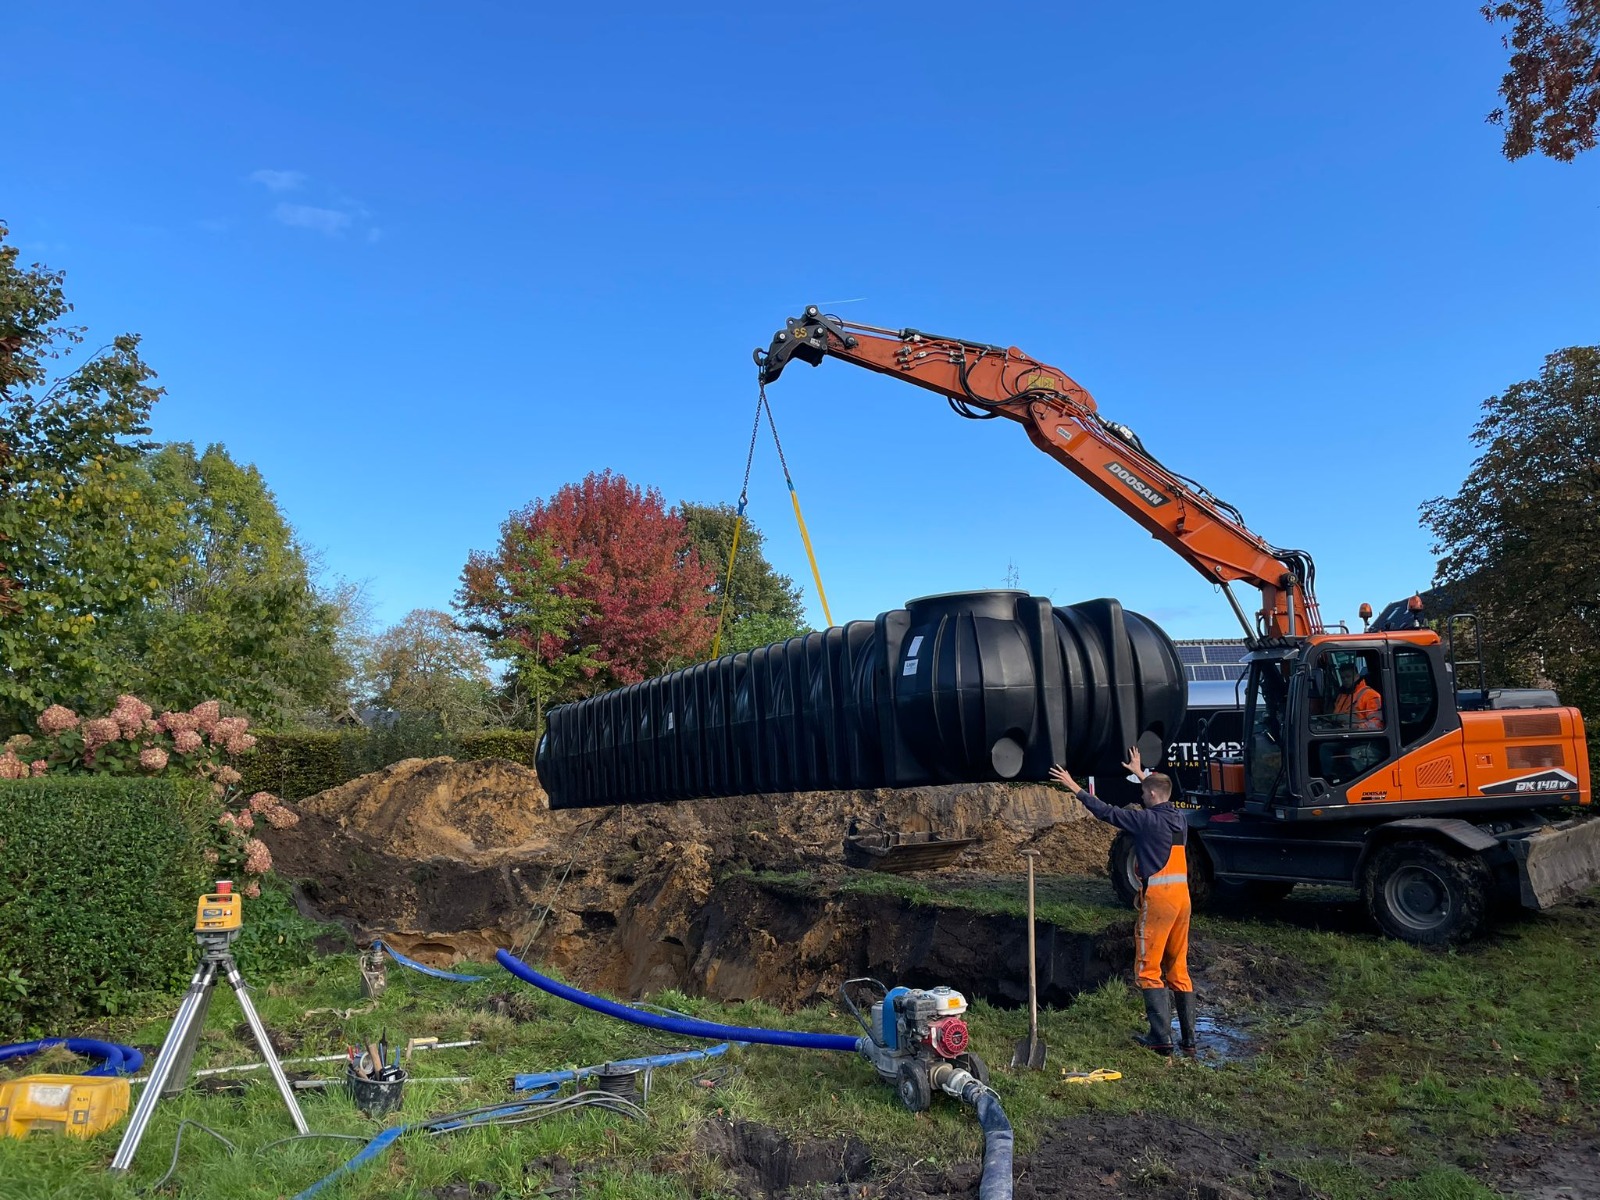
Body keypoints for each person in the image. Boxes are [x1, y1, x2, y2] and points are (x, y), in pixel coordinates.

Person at [1048, 747, 1195, 1055]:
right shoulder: (1178, 818)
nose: (1141, 797)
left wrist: (1073, 786)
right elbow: (1158, 788)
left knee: (1148, 968)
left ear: (1152, 796)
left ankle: (1160, 1039)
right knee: (1178, 967)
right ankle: (1189, 1039)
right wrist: (1141, 772)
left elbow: (1106, 812)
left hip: (1159, 900)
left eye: (1144, 792)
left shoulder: (1147, 821)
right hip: (1183, 899)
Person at [1332, 662, 1383, 731]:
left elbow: (1377, 722)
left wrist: (1358, 727)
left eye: (1348, 676)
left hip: (1359, 737)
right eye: (1342, 677)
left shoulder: (1370, 695)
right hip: (1339, 732)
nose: (1345, 680)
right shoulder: (1342, 695)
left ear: (1357, 676)